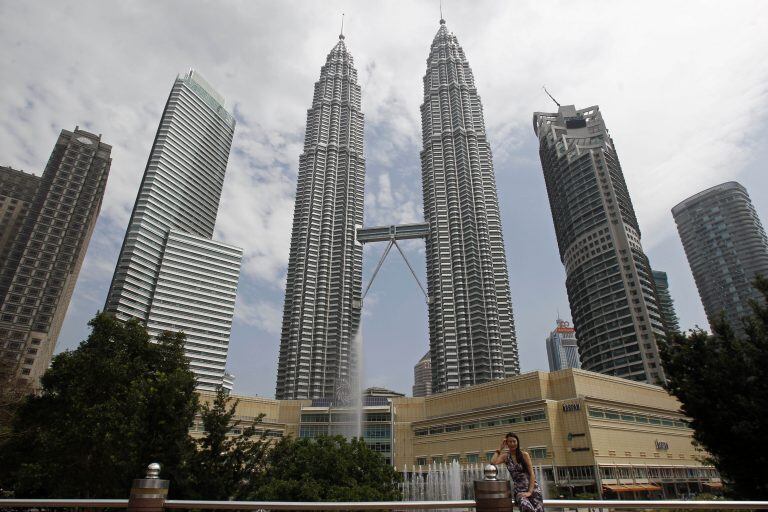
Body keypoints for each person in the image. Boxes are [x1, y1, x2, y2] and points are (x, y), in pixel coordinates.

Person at [490, 432, 545, 512]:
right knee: (526, 507)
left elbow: (532, 474)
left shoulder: (524, 455)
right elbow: (492, 462)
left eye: (514, 441)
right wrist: (500, 448)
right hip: (520, 491)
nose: (512, 443)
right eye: (510, 442)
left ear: (517, 442)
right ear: (507, 443)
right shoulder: (505, 457)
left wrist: (530, 492)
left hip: (533, 489)